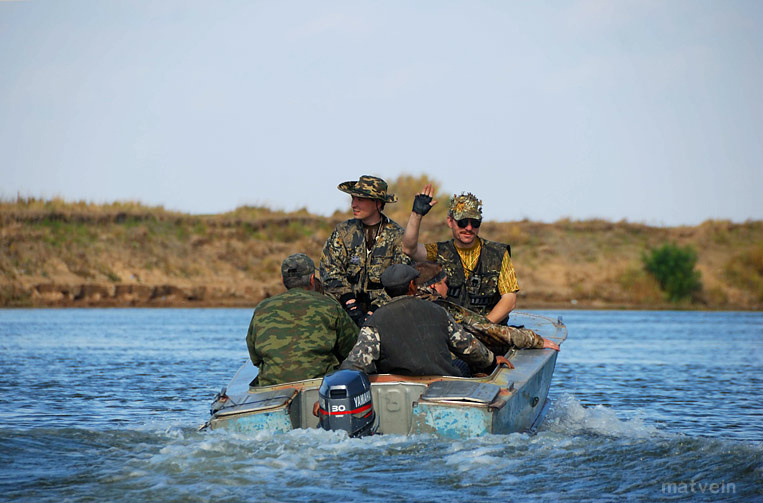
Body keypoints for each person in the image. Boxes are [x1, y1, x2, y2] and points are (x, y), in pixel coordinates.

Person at [340, 264, 508, 377]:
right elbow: (467, 347)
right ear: (412, 285)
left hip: (399, 389)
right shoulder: (437, 311)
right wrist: (492, 360)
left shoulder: (375, 321)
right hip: (443, 383)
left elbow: (357, 363)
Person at [402, 185, 519, 324]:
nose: (469, 228)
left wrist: (482, 328)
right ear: (450, 222)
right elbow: (409, 249)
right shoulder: (438, 251)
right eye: (462, 222)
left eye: (475, 223)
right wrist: (416, 215)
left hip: (489, 332)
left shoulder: (499, 254)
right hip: (451, 332)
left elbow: (509, 300)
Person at [246, 253, 359, 386]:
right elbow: (352, 348)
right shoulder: (330, 306)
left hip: (270, 387)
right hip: (319, 385)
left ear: (283, 279)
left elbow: (255, 357)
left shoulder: (262, 308)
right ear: (312, 279)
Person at [320, 175, 412, 326]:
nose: (353, 205)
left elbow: (400, 281)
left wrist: (375, 310)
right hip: (344, 309)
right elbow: (330, 270)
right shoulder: (343, 232)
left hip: (386, 313)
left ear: (377, 203)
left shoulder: (398, 236)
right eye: (353, 199)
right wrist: (350, 303)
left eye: (360, 200)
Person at [413, 261, 559, 352]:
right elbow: (488, 329)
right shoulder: (441, 307)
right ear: (433, 286)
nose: (447, 287)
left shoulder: (397, 303)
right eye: (444, 282)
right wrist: (534, 340)